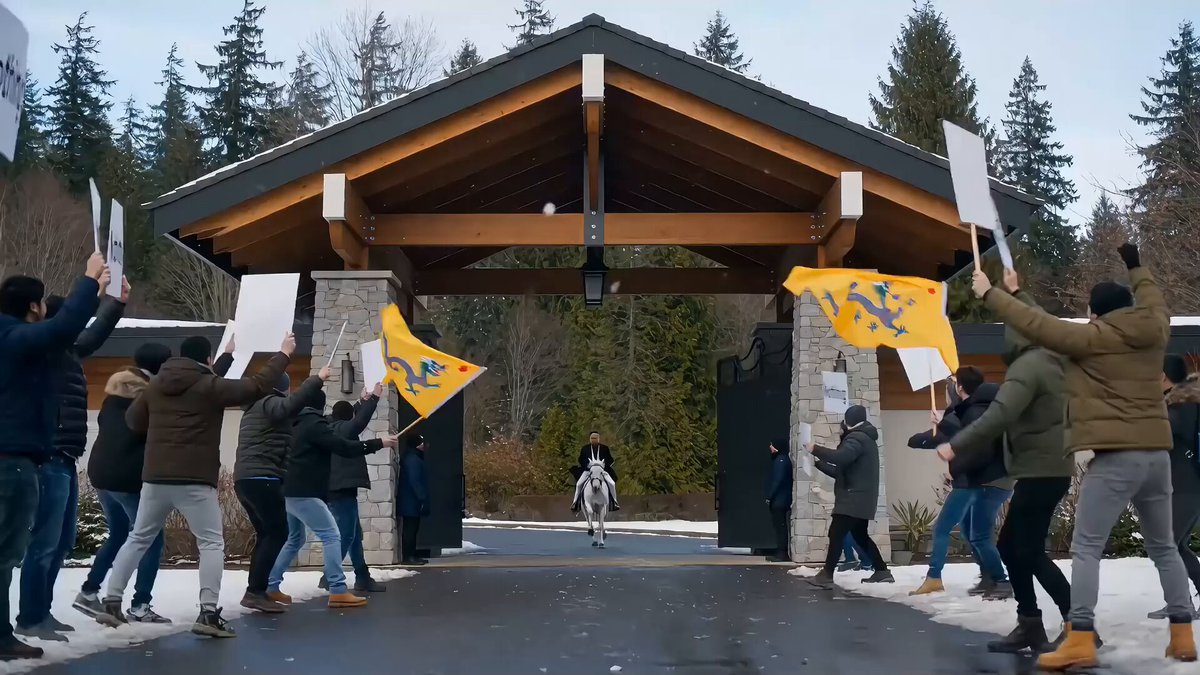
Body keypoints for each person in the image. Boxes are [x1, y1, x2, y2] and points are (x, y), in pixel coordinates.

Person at [968, 245, 1195, 670]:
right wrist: (1136, 265)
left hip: (1116, 458)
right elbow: (1153, 298)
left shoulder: (1093, 339)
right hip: (1157, 458)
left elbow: (1040, 327)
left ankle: (1081, 637)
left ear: (1096, 315)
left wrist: (991, 294)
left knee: (1086, 547)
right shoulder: (1155, 329)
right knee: (1164, 546)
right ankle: (1182, 635)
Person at [95, 332, 295, 639]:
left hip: (155, 476)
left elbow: (134, 422)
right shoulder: (210, 386)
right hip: (194, 478)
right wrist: (282, 355)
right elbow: (254, 386)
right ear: (208, 360)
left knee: (138, 537)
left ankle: (111, 601)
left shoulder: (155, 387)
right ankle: (208, 613)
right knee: (211, 543)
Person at [938, 284, 1077, 654]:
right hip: (1049, 469)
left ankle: (1079, 624)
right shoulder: (1052, 358)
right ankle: (1030, 623)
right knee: (1011, 546)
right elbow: (1040, 320)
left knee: (1026, 551)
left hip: (1040, 471)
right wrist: (1018, 290)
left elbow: (1000, 414)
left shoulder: (1028, 368)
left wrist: (955, 444)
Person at [0, 254, 107, 661]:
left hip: (18, 458)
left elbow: (71, 336)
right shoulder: (14, 339)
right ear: (33, 307)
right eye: (43, 304)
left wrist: (102, 299)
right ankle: (6, 631)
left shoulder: (18, 344)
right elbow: (63, 329)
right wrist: (89, 280)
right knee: (8, 553)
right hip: (12, 461)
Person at [17, 278, 128, 641]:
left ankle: (41, 612)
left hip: (65, 457)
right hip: (49, 455)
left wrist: (116, 304)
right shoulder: (45, 349)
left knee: (61, 541)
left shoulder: (68, 352)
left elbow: (91, 336)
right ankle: (31, 617)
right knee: (45, 542)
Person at [74, 342, 173, 625]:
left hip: (102, 474)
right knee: (151, 539)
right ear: (159, 367)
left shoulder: (114, 393)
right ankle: (140, 605)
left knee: (119, 535)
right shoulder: (148, 397)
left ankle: (89, 591)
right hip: (127, 477)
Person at [268, 387, 394, 608]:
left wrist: (361, 401)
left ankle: (270, 586)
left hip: (288, 490)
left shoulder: (299, 423)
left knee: (295, 539)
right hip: (305, 492)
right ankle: (336, 587)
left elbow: (340, 420)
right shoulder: (316, 426)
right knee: (333, 535)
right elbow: (344, 443)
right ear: (321, 406)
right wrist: (378, 442)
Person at [232, 351, 326, 614]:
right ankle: (256, 591)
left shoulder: (253, 407)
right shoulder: (270, 402)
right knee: (277, 532)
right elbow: (288, 408)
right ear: (282, 389)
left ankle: (259, 589)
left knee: (268, 534)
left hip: (247, 479)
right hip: (262, 477)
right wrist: (315, 381)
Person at [908, 367, 1012, 599]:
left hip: (982, 481)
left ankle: (1000, 581)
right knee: (971, 531)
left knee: (971, 534)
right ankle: (990, 577)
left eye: (953, 385)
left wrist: (955, 460)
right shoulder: (982, 410)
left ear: (960, 387)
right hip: (987, 480)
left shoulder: (974, 412)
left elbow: (978, 448)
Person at [804, 405, 893, 587]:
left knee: (836, 533)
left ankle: (827, 575)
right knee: (860, 535)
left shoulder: (857, 438)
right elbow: (842, 471)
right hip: (860, 498)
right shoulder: (865, 438)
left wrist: (815, 448)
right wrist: (819, 464)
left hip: (853, 499)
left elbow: (841, 457)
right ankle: (882, 570)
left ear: (848, 420)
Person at [1148, 356, 1200, 620]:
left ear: (1164, 377)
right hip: (1184, 486)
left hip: (1186, 487)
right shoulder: (1182, 401)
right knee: (1176, 546)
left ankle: (1181, 603)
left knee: (1165, 545)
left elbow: (1161, 434)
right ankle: (1180, 601)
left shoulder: (1181, 405)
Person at [322, 385, 384, 593]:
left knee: (354, 535)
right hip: (341, 491)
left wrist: (362, 401)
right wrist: (374, 398)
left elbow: (351, 419)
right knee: (347, 535)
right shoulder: (341, 430)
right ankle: (329, 576)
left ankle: (362, 577)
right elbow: (357, 423)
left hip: (339, 490)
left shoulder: (332, 427)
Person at [398, 434, 431, 566]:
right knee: (410, 529)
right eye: (422, 443)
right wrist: (422, 497)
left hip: (410, 500)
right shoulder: (413, 460)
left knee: (412, 528)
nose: (424, 445)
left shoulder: (412, 458)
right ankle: (408, 556)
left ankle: (411, 554)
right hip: (411, 501)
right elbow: (415, 480)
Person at [572, 432, 619, 512]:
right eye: (592, 438)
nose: (593, 440)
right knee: (579, 484)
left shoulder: (604, 448)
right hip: (588, 471)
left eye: (595, 438)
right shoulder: (585, 449)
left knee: (612, 483)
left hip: (602, 471)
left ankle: (614, 502)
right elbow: (580, 459)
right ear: (590, 439)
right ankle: (575, 502)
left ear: (598, 439)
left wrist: (604, 465)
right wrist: (587, 465)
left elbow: (610, 459)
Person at [765, 439, 793, 563]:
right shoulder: (783, 459)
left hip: (780, 500)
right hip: (783, 498)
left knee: (780, 526)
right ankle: (781, 551)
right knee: (780, 526)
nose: (770, 448)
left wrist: (769, 496)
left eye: (772, 445)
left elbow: (777, 480)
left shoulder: (780, 461)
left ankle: (782, 552)